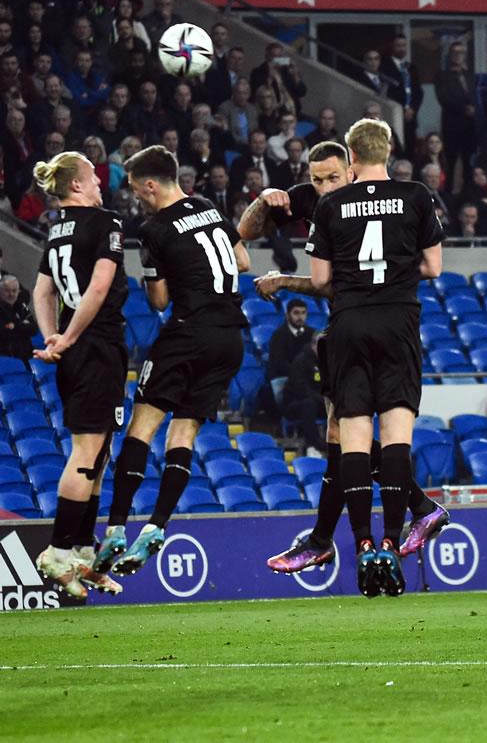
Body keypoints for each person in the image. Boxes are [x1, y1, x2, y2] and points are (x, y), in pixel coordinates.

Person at [245, 142, 447, 573]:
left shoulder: (363, 207)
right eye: (316, 179)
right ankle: (411, 509)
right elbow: (244, 232)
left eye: (332, 178)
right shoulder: (318, 200)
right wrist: (264, 199)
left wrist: (284, 280)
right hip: (351, 330)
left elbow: (343, 283)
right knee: (344, 436)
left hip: (359, 324)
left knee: (345, 436)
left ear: (353, 171)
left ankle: (326, 538)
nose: (322, 187)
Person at [93, 146, 251, 577]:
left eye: (134, 189)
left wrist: (156, 275)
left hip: (188, 333)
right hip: (229, 340)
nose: (134, 197)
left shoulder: (153, 229)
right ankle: (157, 526)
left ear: (150, 185)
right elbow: (243, 260)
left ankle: (116, 530)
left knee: (142, 427)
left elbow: (159, 301)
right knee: (183, 433)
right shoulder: (207, 206)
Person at [307, 118, 446, 597]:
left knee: (353, 439)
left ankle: (362, 544)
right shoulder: (417, 196)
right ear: (388, 151)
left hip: (348, 325)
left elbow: (322, 280)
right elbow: (433, 266)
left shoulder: (330, 204)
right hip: (398, 324)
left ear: (350, 157)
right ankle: (391, 541)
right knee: (395, 440)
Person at [28, 152, 126, 598]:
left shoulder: (56, 231)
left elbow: (43, 289)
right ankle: (58, 549)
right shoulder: (104, 222)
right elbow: (99, 287)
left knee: (99, 454)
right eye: (94, 179)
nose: (100, 185)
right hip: (96, 345)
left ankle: (84, 553)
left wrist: (53, 338)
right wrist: (67, 337)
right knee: (88, 452)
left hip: (77, 350)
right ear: (76, 187)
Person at [267, 298, 314, 405]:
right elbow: (279, 363)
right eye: (296, 313)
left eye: (303, 313)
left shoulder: (311, 334)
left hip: (306, 378)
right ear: (288, 315)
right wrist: (298, 374)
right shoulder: (278, 336)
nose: (300, 317)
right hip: (284, 379)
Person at [0, 275, 35, 359]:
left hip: (27, 354)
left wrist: (14, 326)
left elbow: (34, 328)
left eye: (14, 291)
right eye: (7, 291)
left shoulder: (22, 307)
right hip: (6, 358)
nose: (11, 294)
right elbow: (3, 333)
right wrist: (22, 325)